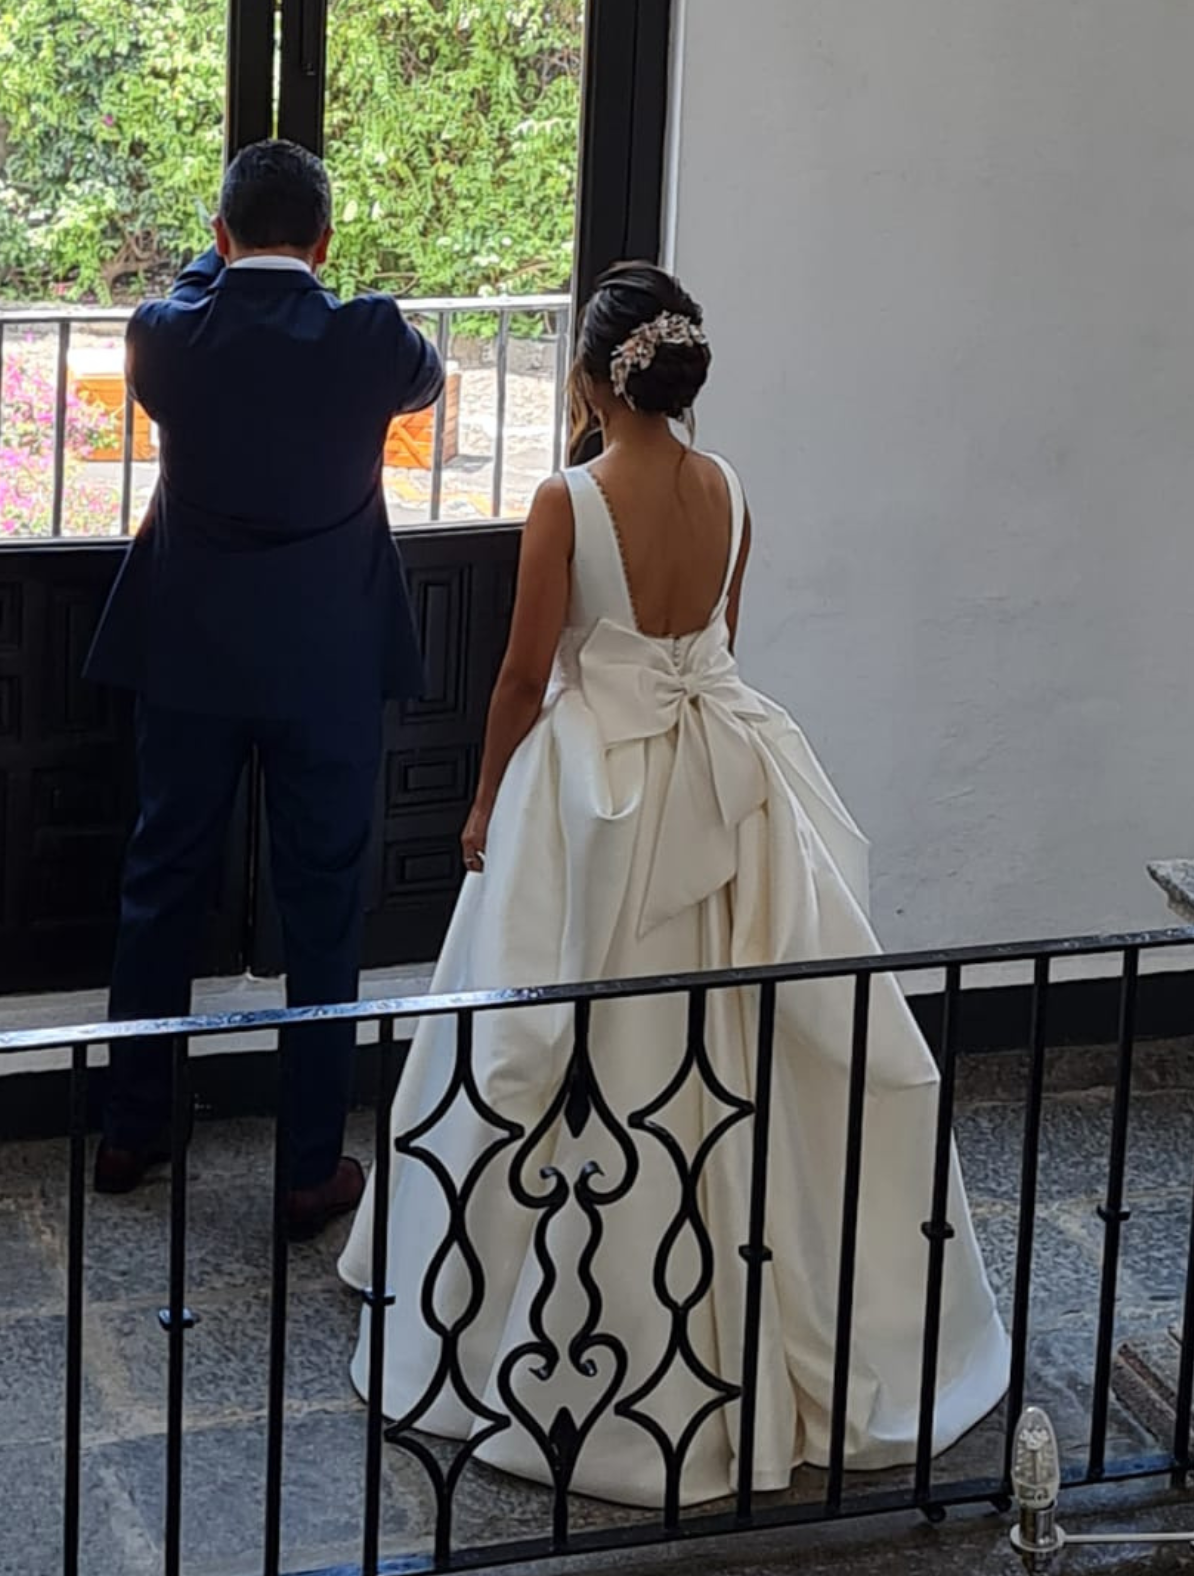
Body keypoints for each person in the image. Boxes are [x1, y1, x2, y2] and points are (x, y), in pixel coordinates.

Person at [338, 264, 1008, 1505]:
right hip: (727, 776)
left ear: (594, 379)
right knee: (745, 1028)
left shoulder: (567, 499)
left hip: (595, 792)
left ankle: (545, 1340)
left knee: (563, 1031)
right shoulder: (732, 489)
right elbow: (719, 646)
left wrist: (484, 802)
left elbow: (523, 677)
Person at [85, 140, 443, 1238]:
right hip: (327, 663)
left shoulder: (167, 337)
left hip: (189, 657)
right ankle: (306, 1167)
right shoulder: (369, 336)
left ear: (219, 234)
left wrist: (220, 268)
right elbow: (428, 378)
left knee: (161, 883)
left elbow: (196, 292)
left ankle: (132, 1127)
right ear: (325, 244)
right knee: (324, 906)